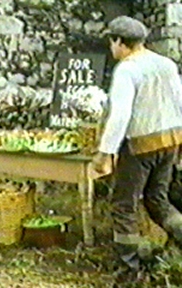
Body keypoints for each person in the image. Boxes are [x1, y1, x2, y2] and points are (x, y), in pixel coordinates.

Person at [92, 16, 182, 276]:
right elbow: (179, 101)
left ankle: (130, 267)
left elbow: (120, 115)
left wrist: (105, 152)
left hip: (140, 145)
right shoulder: (166, 63)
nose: (112, 48)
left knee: (124, 204)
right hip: (169, 142)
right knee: (157, 199)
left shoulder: (127, 69)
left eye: (112, 41)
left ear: (119, 42)